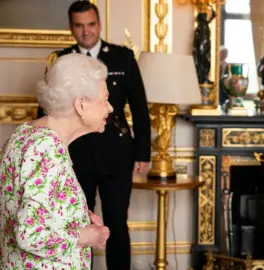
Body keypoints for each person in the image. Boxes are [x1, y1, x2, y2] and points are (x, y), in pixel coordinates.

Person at [36, 1, 151, 269]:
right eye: (79, 25)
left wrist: (142, 152)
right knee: (76, 224)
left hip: (116, 152)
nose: (86, 31)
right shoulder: (61, 61)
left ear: (99, 24)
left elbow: (140, 108)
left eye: (90, 24)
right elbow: (47, 109)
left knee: (116, 224)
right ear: (71, 27)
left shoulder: (122, 57)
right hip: (77, 153)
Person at [0, 53, 112, 269]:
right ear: (80, 105)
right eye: (105, 99)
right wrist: (86, 236)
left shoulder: (25, 134)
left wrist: (80, 215)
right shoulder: (46, 148)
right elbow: (29, 235)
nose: (110, 108)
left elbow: (27, 205)